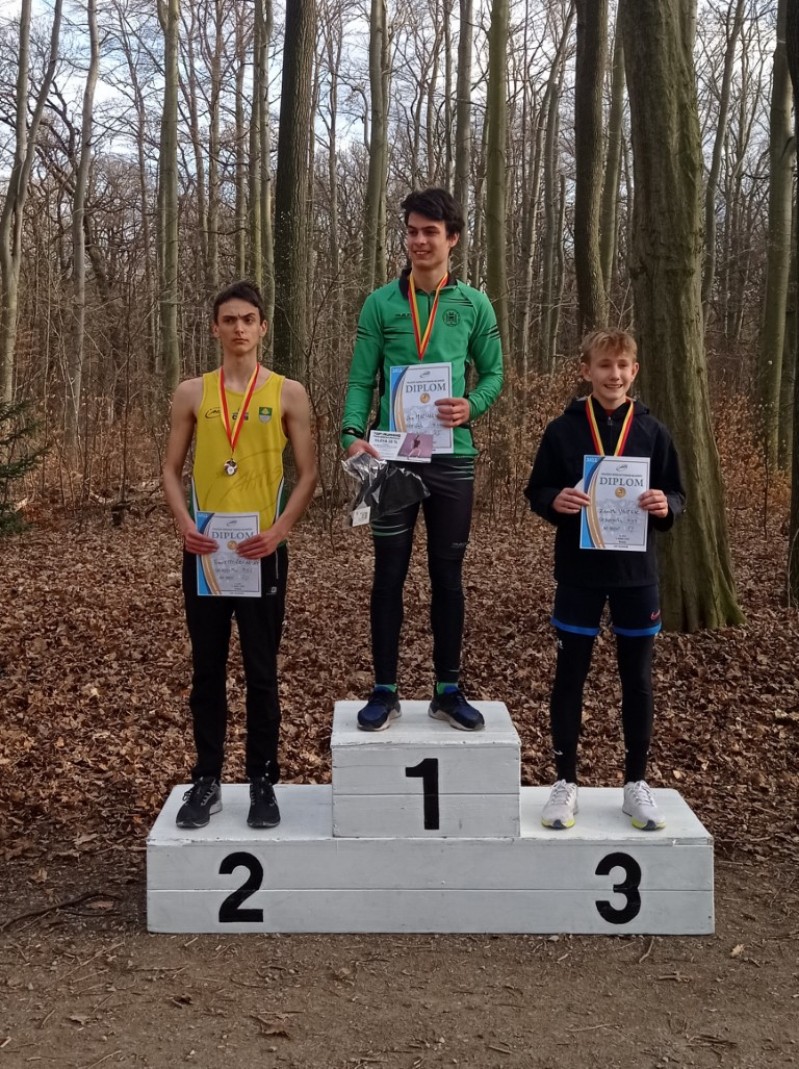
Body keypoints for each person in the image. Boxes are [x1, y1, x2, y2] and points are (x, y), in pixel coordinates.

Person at [342, 187, 504, 732]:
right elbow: (361, 378)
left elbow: (494, 374)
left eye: (430, 232)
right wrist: (351, 433)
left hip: (451, 458)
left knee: (447, 576)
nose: (418, 241)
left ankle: (447, 690)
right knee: (388, 573)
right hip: (390, 457)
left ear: (452, 238)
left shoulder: (474, 304)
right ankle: (384, 690)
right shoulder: (380, 303)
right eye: (411, 231)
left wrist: (472, 404)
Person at [163, 280, 317, 829]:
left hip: (262, 553)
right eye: (228, 319)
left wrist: (278, 532)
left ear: (262, 327)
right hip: (206, 553)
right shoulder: (192, 393)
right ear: (215, 328)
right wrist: (185, 525)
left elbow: (309, 474)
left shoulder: (288, 393)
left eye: (248, 319)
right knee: (206, 671)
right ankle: (207, 779)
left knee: (261, 671)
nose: (239, 328)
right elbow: (170, 470)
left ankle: (262, 780)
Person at [524, 329, 685, 831]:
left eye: (621, 366)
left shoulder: (653, 431)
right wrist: (555, 500)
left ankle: (636, 783)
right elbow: (537, 489)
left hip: (637, 575)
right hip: (579, 572)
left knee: (637, 678)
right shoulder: (562, 430)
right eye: (604, 366)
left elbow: (677, 493)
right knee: (570, 675)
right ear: (586, 371)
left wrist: (665, 504)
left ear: (634, 371)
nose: (613, 375)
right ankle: (564, 781)